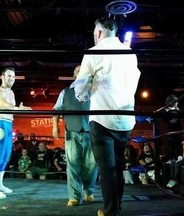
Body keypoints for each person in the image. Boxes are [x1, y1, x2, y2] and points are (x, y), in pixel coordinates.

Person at [74, 17, 141, 216]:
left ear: (100, 32)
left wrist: (81, 95)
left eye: (95, 32)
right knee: (118, 166)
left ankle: (111, 210)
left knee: (107, 169)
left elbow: (81, 85)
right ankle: (116, 206)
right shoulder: (130, 53)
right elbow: (134, 81)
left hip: (102, 118)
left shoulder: (94, 53)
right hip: (126, 118)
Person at [52, 65, 98, 207]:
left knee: (91, 165)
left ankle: (88, 191)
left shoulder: (94, 90)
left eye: (83, 70)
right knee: (72, 165)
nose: (81, 72)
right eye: (78, 71)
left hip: (91, 132)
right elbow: (56, 109)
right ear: (74, 75)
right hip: (71, 132)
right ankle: (74, 196)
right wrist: (55, 127)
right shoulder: (65, 92)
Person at [0, 67, 32, 199]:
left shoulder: (11, 93)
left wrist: (18, 109)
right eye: (8, 76)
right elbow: (2, 104)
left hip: (8, 124)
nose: (11, 79)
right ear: (2, 77)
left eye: (13, 76)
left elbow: (11, 107)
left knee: (6, 155)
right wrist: (18, 108)